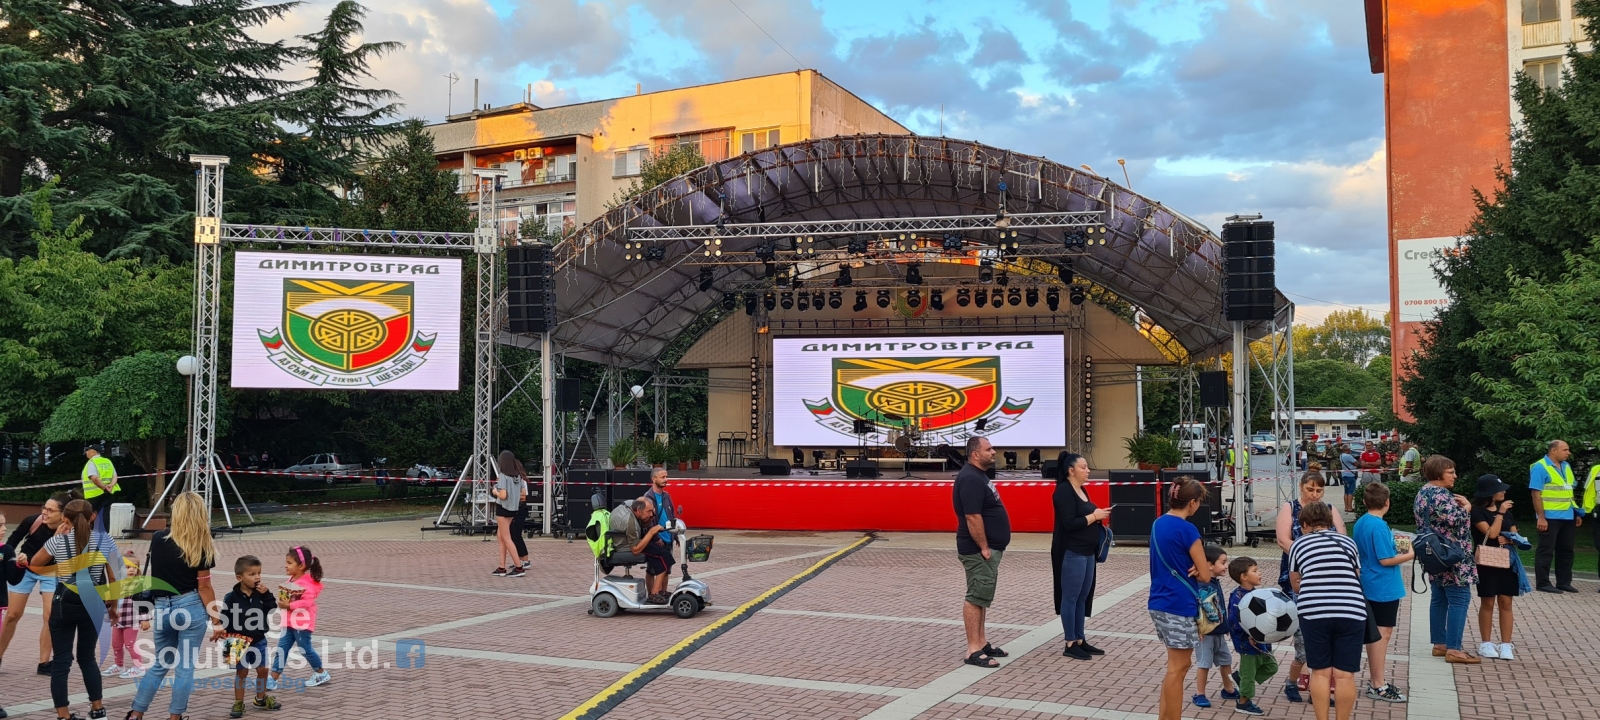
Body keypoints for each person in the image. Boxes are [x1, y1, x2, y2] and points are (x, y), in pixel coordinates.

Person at [126, 492, 221, 720]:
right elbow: (204, 587)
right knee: (185, 666)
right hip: (190, 605)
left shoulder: (159, 538)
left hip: (162, 607)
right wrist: (217, 620)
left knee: (160, 663)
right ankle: (175, 717)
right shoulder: (201, 544)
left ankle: (136, 714)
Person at [32, 498, 122, 720]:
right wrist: (113, 607)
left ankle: (63, 715)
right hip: (93, 604)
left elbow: (35, 563)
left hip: (64, 603)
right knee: (87, 657)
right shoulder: (105, 540)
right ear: (93, 517)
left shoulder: (58, 541)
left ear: (65, 519)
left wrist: (57, 541)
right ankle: (98, 709)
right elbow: (113, 578)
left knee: (61, 660)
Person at [1289, 501, 1366, 720]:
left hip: (1314, 611)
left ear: (1305, 524)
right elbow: (1356, 576)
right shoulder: (1348, 542)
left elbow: (1296, 584)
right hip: (1351, 611)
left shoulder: (1299, 545)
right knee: (1344, 675)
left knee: (1321, 673)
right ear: (1330, 522)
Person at [1274, 469, 1345, 700]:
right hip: (1299, 576)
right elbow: (1283, 539)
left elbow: (1342, 537)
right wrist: (1308, 555)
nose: (1315, 494)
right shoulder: (1290, 508)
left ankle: (1319, 684)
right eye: (1310, 489)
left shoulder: (1329, 509)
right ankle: (1298, 677)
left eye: (1319, 490)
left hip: (1327, 580)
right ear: (1301, 487)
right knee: (1303, 636)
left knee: (1324, 636)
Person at [1149, 477, 1211, 720]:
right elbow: (1205, 574)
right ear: (1192, 502)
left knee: (1176, 667)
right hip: (1179, 603)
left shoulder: (1158, 523)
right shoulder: (1187, 529)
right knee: (1178, 669)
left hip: (1159, 600)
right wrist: (1199, 568)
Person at [1413, 455, 1478, 663]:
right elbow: (1455, 520)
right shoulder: (1441, 494)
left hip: (1435, 555)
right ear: (1438, 473)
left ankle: (1440, 643)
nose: (1455, 476)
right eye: (1450, 472)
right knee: (1460, 598)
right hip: (1453, 555)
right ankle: (1454, 649)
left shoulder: (1423, 492)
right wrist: (1467, 507)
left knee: (1439, 597)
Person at [1, 491, 74, 675]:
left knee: (50, 616)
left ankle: (44, 663)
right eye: (44, 508)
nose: (44, 513)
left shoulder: (69, 530)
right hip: (25, 568)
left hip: (51, 572)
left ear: (63, 514)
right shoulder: (33, 521)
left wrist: (59, 538)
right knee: (12, 615)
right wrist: (9, 562)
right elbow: (11, 542)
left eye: (50, 510)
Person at [1352, 482, 1411, 702]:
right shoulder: (1378, 525)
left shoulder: (1361, 522)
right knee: (1381, 634)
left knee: (1375, 633)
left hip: (1368, 581)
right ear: (1387, 502)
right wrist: (1410, 553)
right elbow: (1386, 559)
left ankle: (1376, 680)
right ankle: (1378, 683)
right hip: (1383, 586)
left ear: (1365, 502)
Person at [955, 435, 1008, 669]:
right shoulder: (970, 478)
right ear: (975, 454)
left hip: (987, 549)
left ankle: (982, 642)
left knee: (982, 596)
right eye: (989, 449)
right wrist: (984, 547)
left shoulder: (979, 475)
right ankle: (973, 650)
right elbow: (972, 516)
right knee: (975, 597)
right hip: (978, 551)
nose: (993, 452)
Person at [1050, 452, 1108, 660]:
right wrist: (1094, 516)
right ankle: (1070, 642)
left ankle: (1080, 638)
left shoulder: (1082, 489)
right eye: (1083, 467)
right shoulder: (1063, 491)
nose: (1088, 470)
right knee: (1071, 597)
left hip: (1088, 552)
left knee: (1083, 596)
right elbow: (1069, 523)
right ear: (1071, 470)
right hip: (1072, 552)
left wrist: (1097, 516)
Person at [220, 555, 282, 717]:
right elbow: (224, 616)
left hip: (258, 639)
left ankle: (260, 699)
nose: (257, 577)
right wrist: (222, 631)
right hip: (236, 641)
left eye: (259, 573)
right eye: (252, 574)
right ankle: (238, 703)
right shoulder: (231, 597)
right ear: (239, 577)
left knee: (263, 669)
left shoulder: (260, 594)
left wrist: (267, 594)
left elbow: (271, 608)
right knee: (241, 672)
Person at [1470, 475, 1520, 660]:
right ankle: (1486, 643)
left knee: (1506, 602)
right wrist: (1500, 514)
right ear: (1490, 493)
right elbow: (1491, 534)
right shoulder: (1477, 512)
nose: (1504, 492)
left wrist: (1510, 539)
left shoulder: (1507, 512)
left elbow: (1514, 533)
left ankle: (1506, 644)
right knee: (1488, 601)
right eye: (1500, 490)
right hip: (1486, 562)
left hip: (1505, 560)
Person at [269, 546, 329, 689]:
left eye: (289, 563)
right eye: (286, 562)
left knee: (304, 648)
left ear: (301, 566)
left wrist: (289, 605)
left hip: (302, 623)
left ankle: (321, 673)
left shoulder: (306, 583)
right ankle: (272, 679)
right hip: (288, 622)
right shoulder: (292, 579)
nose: (286, 565)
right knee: (281, 650)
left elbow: (307, 602)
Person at [1227, 556, 1276, 716]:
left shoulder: (1257, 594)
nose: (1259, 573)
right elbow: (1235, 621)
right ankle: (1243, 703)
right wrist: (1249, 635)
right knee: (1249, 674)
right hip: (1247, 644)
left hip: (1261, 641)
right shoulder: (1238, 597)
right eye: (1255, 570)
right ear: (1244, 576)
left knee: (1271, 666)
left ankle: (1241, 679)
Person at [1530, 440, 1581, 593]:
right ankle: (1543, 583)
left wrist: (1575, 512)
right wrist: (1541, 517)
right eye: (1565, 450)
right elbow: (1536, 494)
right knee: (1546, 550)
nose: (1568, 453)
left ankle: (1564, 582)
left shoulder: (1566, 466)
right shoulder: (1540, 467)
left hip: (1568, 515)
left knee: (1566, 550)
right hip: (1550, 516)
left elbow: (1568, 491)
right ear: (1553, 450)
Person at [1191, 544, 1238, 708]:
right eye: (1223, 562)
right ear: (1209, 565)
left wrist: (1225, 625)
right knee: (1204, 663)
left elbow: (1218, 607)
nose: (1226, 566)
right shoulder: (1201, 584)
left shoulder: (1214, 582)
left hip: (1219, 631)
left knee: (1226, 660)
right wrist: (1197, 628)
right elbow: (1196, 609)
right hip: (1205, 634)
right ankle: (1200, 693)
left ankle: (1229, 689)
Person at [611, 497, 674, 602]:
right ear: (639, 511)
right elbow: (635, 550)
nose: (651, 514)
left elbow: (641, 524)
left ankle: (660, 591)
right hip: (626, 547)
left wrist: (650, 518)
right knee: (665, 557)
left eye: (652, 511)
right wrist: (652, 532)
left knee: (662, 552)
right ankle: (654, 593)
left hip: (630, 540)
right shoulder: (630, 521)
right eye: (649, 511)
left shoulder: (631, 505)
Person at [103, 551, 150, 679]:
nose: (131, 570)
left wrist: (145, 619)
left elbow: (144, 603)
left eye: (134, 567)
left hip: (132, 620)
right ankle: (119, 665)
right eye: (127, 567)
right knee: (116, 644)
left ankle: (139, 667)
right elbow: (109, 602)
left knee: (130, 644)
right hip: (118, 621)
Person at [491, 450, 526, 578]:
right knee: (500, 537)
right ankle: (502, 567)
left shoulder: (502, 476)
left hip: (503, 508)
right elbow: (523, 494)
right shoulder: (518, 477)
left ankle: (518, 567)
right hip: (513, 508)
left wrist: (495, 491)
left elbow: (503, 495)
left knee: (506, 538)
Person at [81, 445, 120, 532]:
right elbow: (115, 476)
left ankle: (91, 536)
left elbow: (94, 478)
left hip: (93, 495)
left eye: (88, 450)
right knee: (104, 516)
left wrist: (104, 488)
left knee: (90, 517)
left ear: (93, 452)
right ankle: (104, 536)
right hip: (107, 493)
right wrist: (110, 486)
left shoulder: (92, 462)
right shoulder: (108, 461)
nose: (86, 452)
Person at [1337, 446, 1358, 512]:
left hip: (1344, 474)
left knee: (1346, 492)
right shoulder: (1348, 456)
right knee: (1351, 492)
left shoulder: (1341, 456)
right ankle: (1350, 507)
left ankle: (1346, 507)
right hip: (1350, 475)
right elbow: (1356, 463)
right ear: (1348, 450)